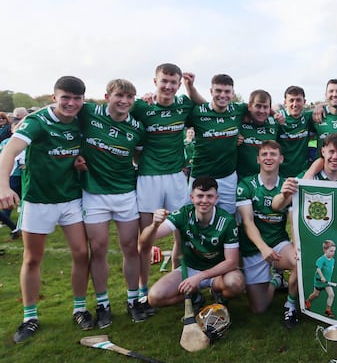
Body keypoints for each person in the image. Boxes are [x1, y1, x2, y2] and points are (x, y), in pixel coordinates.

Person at [0, 76, 90, 343]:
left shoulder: (81, 121)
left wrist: (81, 162)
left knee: (81, 253)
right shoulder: (37, 121)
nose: (71, 103)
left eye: (77, 98)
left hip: (71, 198)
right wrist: (3, 186)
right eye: (66, 97)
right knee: (32, 259)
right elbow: (9, 152)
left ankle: (80, 308)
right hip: (38, 200)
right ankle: (30, 316)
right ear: (54, 97)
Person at [76, 79, 146, 325]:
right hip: (94, 193)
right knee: (99, 249)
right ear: (107, 96)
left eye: (130, 97)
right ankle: (103, 304)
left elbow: (138, 154)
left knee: (130, 247)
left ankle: (133, 300)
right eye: (120, 96)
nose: (125, 101)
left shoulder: (137, 127)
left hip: (125, 193)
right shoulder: (88, 111)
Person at [132, 64, 197, 310]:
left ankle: (180, 284)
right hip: (148, 178)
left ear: (179, 84)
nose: (168, 86)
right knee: (146, 238)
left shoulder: (183, 104)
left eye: (173, 82)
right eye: (164, 81)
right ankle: (141, 292)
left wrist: (192, 87)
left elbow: (203, 107)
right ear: (155, 81)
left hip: (176, 178)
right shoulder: (141, 106)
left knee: (181, 236)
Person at [142, 177, 244, 308]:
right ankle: (195, 296)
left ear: (216, 198)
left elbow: (232, 262)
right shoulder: (183, 214)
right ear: (192, 197)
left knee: (236, 284)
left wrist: (200, 277)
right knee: (155, 298)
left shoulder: (227, 221)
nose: (204, 201)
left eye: (209, 196)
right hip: (189, 270)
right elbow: (145, 240)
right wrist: (155, 225)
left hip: (217, 272)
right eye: (200, 196)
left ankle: (217, 291)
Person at [236, 141, 301, 327]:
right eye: (264, 154)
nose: (268, 158)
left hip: (278, 243)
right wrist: (263, 248)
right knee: (260, 308)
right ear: (258, 159)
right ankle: (276, 279)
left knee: (299, 261)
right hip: (254, 248)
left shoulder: (288, 186)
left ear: (281, 158)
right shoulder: (246, 185)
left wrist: (296, 247)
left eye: (273, 154)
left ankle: (290, 304)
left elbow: (292, 221)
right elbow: (247, 223)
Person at [187, 74, 247, 214]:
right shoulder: (196, 112)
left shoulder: (238, 110)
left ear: (232, 93)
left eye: (227, 91)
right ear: (211, 92)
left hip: (228, 177)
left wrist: (277, 115)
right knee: (194, 219)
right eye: (218, 91)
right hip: (200, 175)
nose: (222, 95)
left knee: (228, 218)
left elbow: (261, 108)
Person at [237, 90, 278, 180]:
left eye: (265, 107)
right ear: (250, 106)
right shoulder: (238, 121)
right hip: (243, 181)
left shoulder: (275, 123)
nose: (262, 111)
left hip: (269, 182)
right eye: (258, 106)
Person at [277, 86, 312, 178]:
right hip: (279, 174)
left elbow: (330, 107)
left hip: (302, 174)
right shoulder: (278, 118)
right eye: (291, 100)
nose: (295, 104)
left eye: (298, 100)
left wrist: (319, 106)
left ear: (304, 102)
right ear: (285, 103)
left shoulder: (308, 117)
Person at [305, 240, 337, 318]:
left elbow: (330, 270)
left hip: (327, 282)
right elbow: (318, 269)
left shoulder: (333, 260)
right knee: (316, 295)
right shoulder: (321, 259)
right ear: (325, 250)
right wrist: (322, 277)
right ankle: (308, 301)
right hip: (319, 281)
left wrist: (328, 279)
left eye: (334, 251)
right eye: (331, 251)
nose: (333, 253)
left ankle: (328, 310)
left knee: (331, 295)